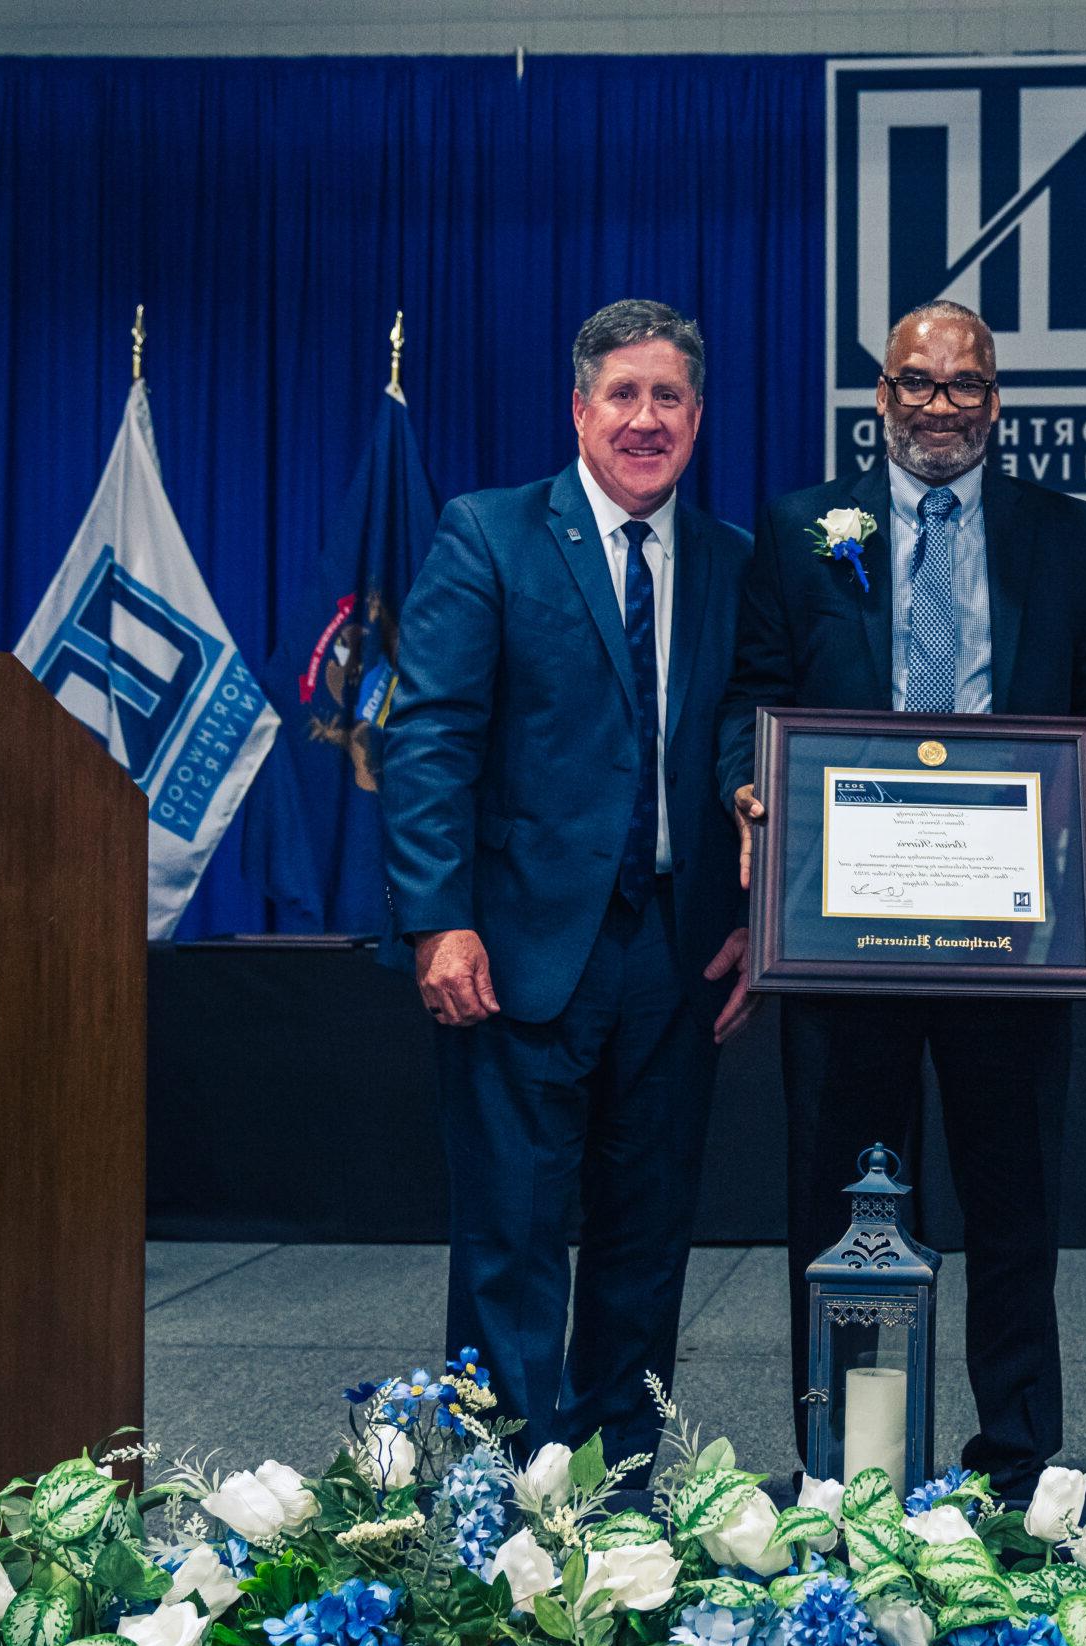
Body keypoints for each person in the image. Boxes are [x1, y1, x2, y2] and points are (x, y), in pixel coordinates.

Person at [718, 300, 1086, 1499]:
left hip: (1010, 934)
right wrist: (743, 793)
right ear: (881, 399)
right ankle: (852, 1460)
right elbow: (754, 696)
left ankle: (1016, 1463)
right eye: (916, 382)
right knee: (842, 1199)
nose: (939, 405)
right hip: (843, 933)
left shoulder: (1064, 534)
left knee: (1013, 1206)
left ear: (997, 401)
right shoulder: (807, 526)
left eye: (965, 385)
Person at [381, 299, 758, 1475]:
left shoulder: (739, 563)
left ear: (698, 418)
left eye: (669, 398)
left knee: (647, 1242)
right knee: (513, 1240)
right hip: (517, 947)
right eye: (623, 395)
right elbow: (430, 736)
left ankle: (623, 1481)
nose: (645, 419)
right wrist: (438, 918)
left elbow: (755, 748)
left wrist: (764, 920)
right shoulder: (488, 536)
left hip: (678, 950)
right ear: (579, 409)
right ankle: (496, 1503)